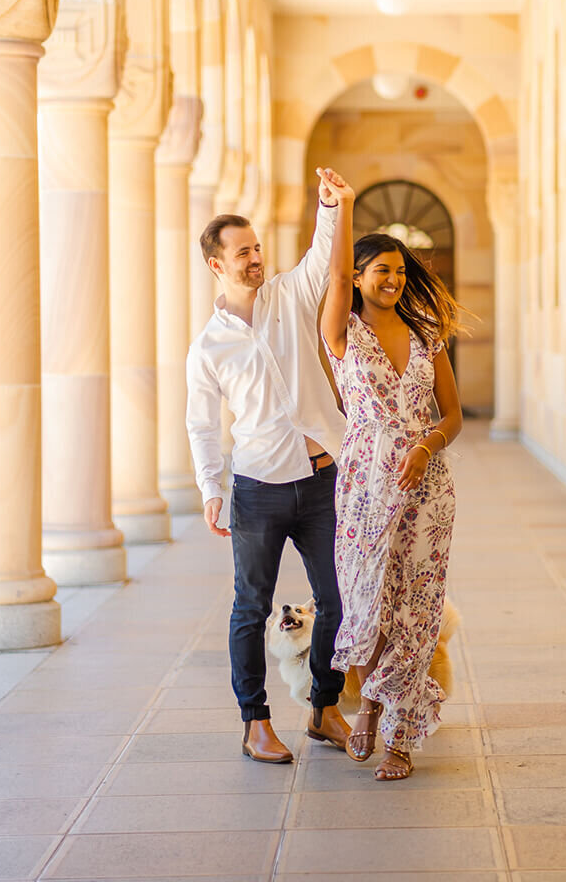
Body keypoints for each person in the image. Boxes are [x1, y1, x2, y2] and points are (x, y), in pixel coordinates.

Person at [185, 168, 354, 764]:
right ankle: (255, 722)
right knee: (251, 606)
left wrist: (330, 207)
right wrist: (212, 487)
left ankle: (325, 708)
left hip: (321, 476)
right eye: (243, 252)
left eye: (257, 248)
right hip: (257, 487)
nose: (255, 258)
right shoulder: (209, 347)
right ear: (216, 265)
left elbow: (320, 258)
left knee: (338, 598)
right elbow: (202, 424)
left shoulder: (290, 294)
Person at [319, 170, 463, 781]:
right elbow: (329, 274)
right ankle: (369, 703)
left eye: (400, 271)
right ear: (357, 277)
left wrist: (427, 447)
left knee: (416, 609)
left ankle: (400, 735)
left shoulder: (427, 335)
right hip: (363, 487)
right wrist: (344, 206)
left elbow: (452, 415)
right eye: (381, 269)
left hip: (426, 490)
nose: (393, 279)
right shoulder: (343, 333)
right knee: (368, 603)